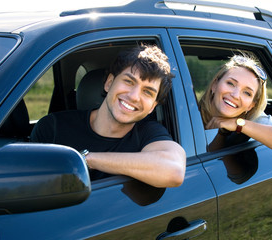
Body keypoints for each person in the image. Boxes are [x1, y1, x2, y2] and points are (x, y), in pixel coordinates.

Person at [30, 44, 186, 188]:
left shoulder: (149, 133)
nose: (134, 96)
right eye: (129, 82)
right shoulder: (53, 127)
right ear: (109, 82)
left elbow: (174, 170)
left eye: (147, 92)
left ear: (153, 106)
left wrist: (86, 159)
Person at [198, 53, 272, 156]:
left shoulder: (253, 118)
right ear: (214, 85)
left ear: (251, 105)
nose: (235, 95)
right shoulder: (185, 110)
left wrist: (238, 124)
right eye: (231, 83)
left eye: (247, 93)